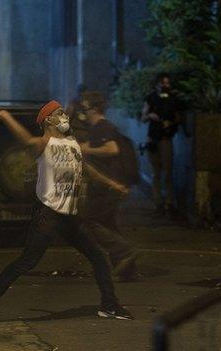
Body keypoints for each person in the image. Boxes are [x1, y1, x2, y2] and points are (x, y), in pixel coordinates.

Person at [0, 100, 134, 324]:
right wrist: (6, 116)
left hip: (70, 215)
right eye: (59, 114)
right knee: (27, 262)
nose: (64, 116)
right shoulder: (44, 143)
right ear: (48, 120)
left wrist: (112, 184)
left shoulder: (71, 143)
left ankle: (109, 305)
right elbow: (26, 139)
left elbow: (86, 168)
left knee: (99, 257)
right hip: (47, 214)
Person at [79, 91, 141, 282]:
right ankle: (127, 270)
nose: (83, 113)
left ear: (95, 109)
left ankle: (125, 251)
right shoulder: (100, 128)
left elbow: (111, 149)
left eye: (85, 109)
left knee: (89, 221)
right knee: (108, 225)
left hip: (108, 185)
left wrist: (84, 149)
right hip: (108, 185)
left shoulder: (102, 126)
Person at [141, 74, 183, 218]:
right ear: (157, 85)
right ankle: (159, 204)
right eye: (162, 83)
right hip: (153, 138)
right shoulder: (151, 97)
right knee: (155, 174)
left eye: (167, 83)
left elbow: (178, 117)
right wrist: (150, 116)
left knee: (168, 174)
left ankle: (170, 204)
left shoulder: (173, 98)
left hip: (166, 138)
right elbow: (143, 117)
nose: (165, 86)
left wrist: (170, 123)